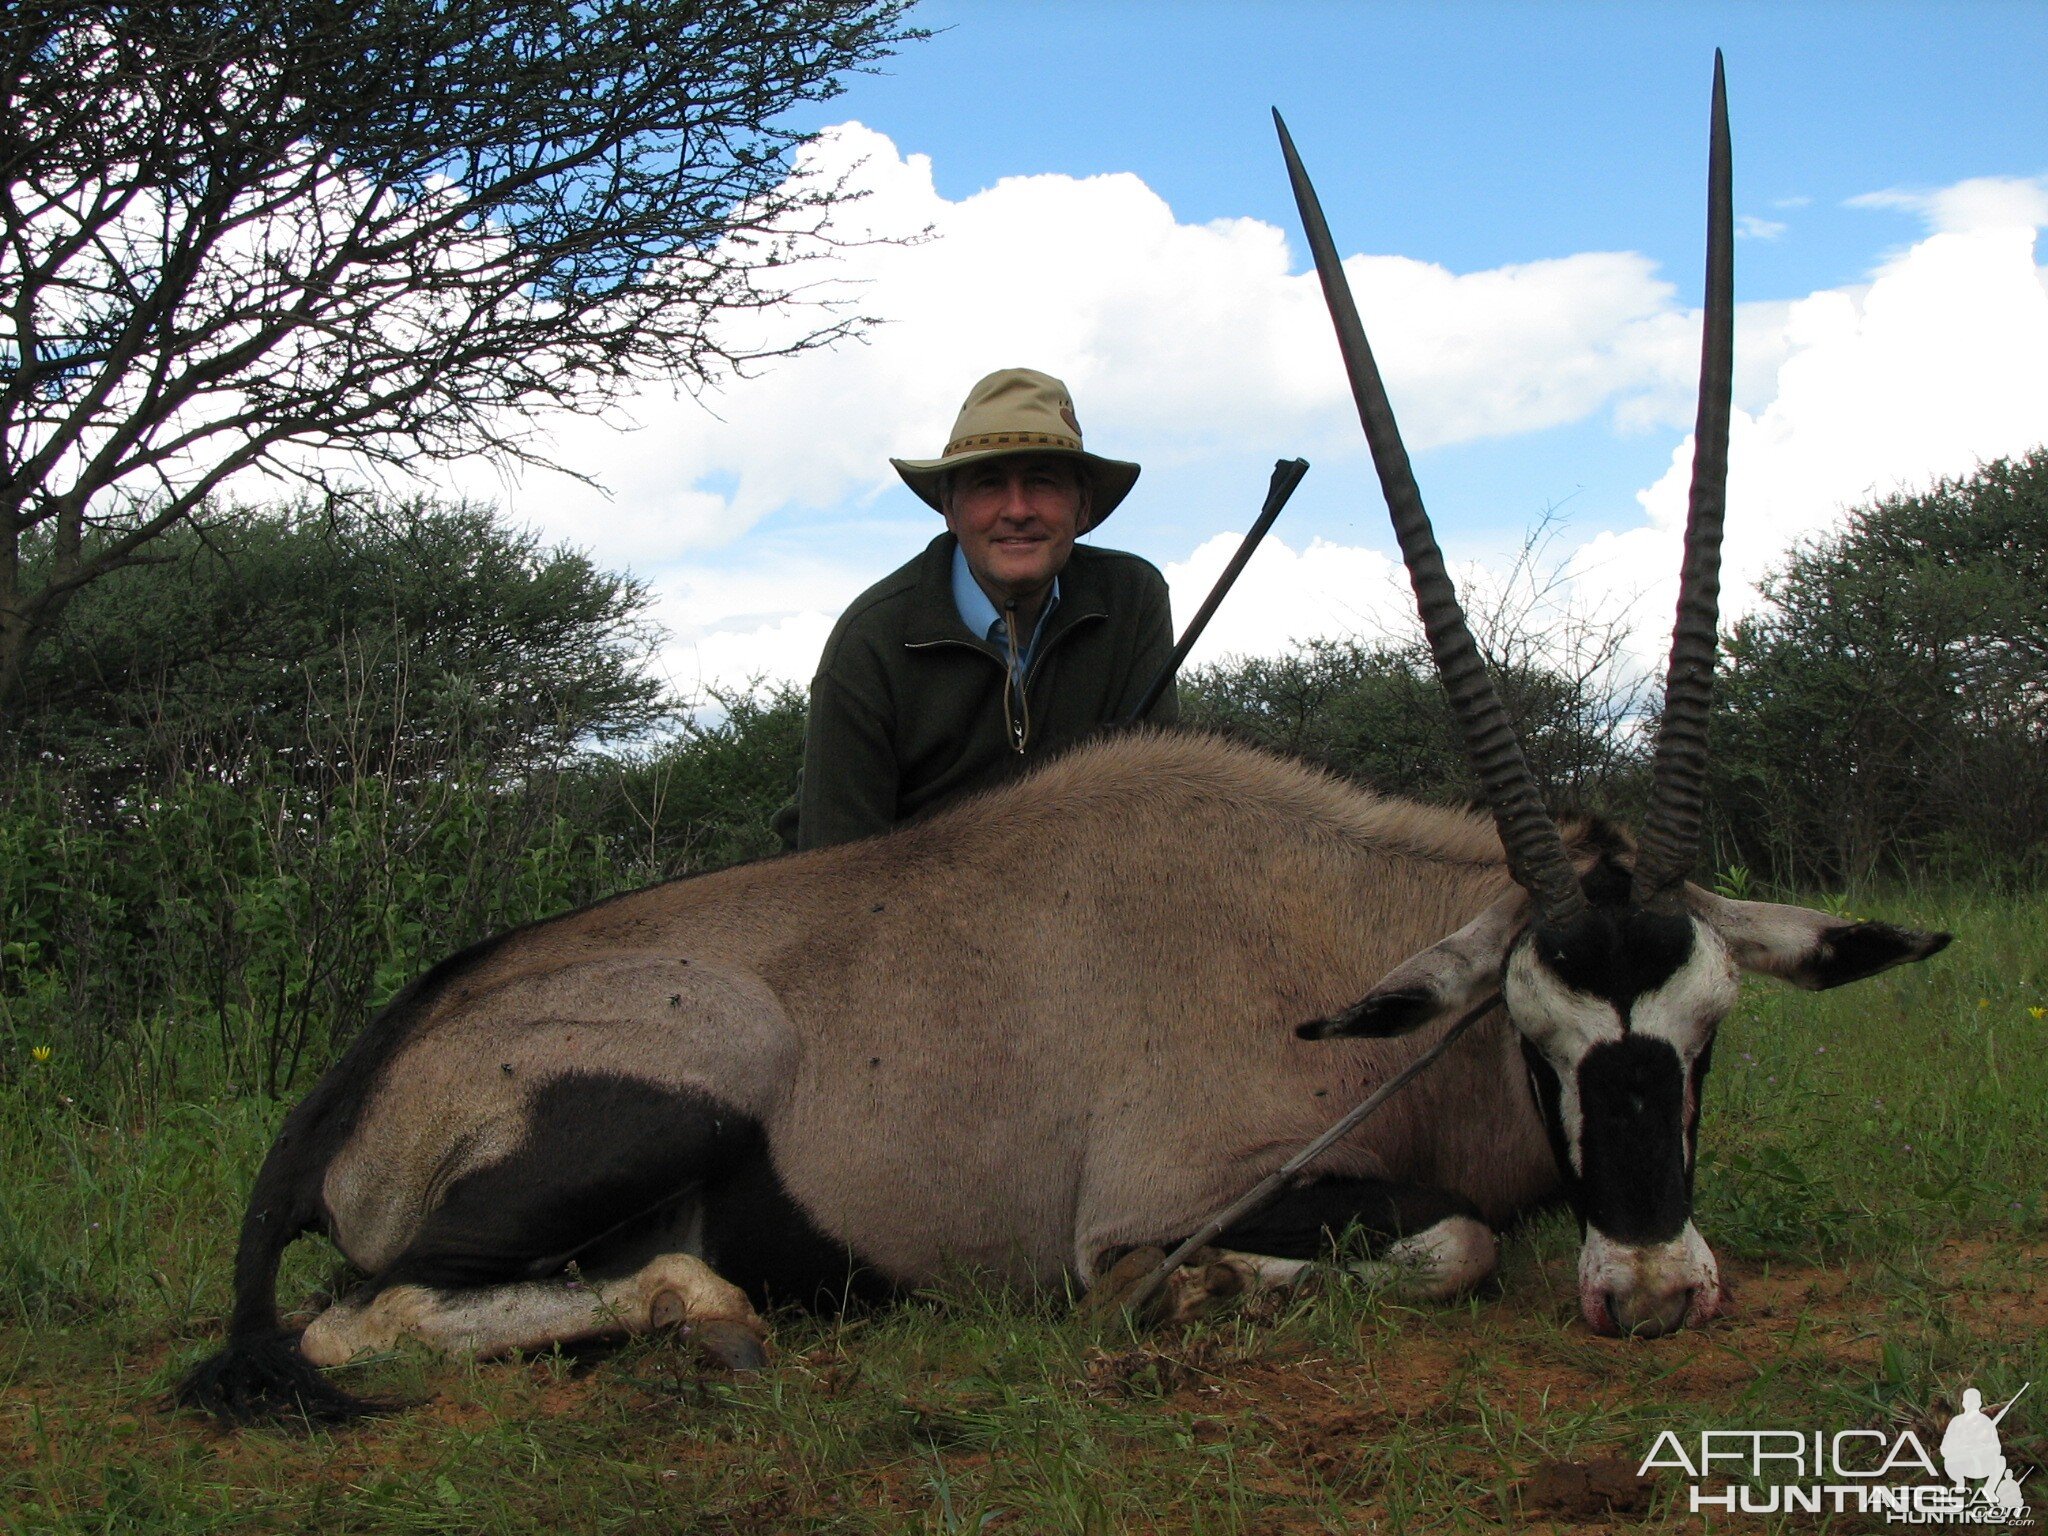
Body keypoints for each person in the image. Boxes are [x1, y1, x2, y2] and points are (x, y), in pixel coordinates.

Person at [782, 367, 1178, 850]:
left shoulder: (1134, 598)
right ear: (950, 508)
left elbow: (1159, 810)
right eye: (989, 483)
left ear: (1083, 507)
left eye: (1043, 481)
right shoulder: (871, 639)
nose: (1017, 510)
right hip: (908, 912)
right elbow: (833, 862)